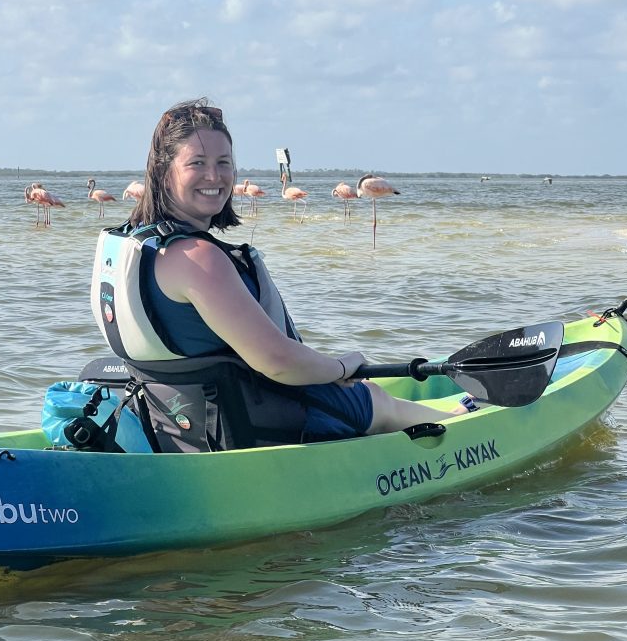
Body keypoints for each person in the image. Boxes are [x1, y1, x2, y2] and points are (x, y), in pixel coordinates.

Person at [94, 98, 468, 445]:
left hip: (175, 426)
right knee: (373, 399)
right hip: (248, 427)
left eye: (224, 163)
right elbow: (277, 362)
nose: (215, 176)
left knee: (355, 391)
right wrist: (342, 366)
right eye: (197, 163)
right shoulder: (198, 258)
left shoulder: (124, 245)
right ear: (163, 170)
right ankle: (463, 420)